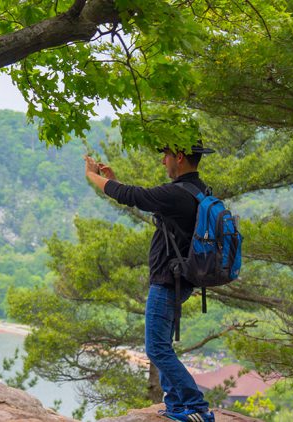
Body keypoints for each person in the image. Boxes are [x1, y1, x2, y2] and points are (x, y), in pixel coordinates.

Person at [83, 144, 216, 422]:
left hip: (167, 280)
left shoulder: (176, 194)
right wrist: (114, 181)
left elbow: (132, 196)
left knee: (156, 348)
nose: (162, 161)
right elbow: (139, 197)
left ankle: (196, 406)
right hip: (182, 278)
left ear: (179, 158)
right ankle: (176, 404)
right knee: (163, 343)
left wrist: (95, 178)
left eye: (165, 155)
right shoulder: (198, 190)